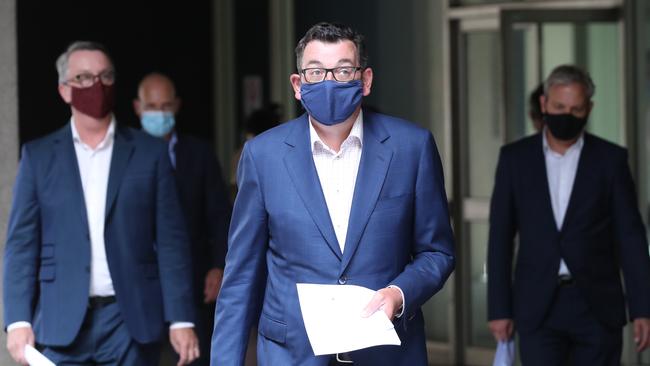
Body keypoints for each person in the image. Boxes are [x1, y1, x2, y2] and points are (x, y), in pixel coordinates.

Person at [211, 22, 455, 365]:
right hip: (293, 353)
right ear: (298, 85)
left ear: (365, 80)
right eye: (315, 72)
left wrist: (399, 294)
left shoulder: (410, 148)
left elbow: (438, 251)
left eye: (342, 70)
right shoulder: (263, 156)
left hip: (386, 352)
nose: (328, 82)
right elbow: (241, 276)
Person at [3, 41, 199, 365]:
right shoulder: (38, 157)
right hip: (59, 321)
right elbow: (21, 244)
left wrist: (181, 318)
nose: (96, 85)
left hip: (129, 321)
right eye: (83, 78)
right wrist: (18, 320)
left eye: (105, 76)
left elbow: (171, 241)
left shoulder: (150, 153)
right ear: (64, 90)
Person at [487, 64, 650, 365]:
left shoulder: (611, 160)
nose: (566, 115)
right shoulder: (515, 159)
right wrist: (499, 308)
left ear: (589, 108)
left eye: (576, 109)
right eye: (559, 106)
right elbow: (500, 236)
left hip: (597, 306)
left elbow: (630, 236)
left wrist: (643, 307)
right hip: (537, 305)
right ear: (544, 104)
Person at [133, 72, 231, 366]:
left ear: (176, 106)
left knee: (193, 357)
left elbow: (219, 214)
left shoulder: (199, 154)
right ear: (137, 107)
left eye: (165, 106)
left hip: (195, 279)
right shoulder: (123, 154)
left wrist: (219, 266)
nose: (159, 114)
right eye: (152, 107)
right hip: (140, 283)